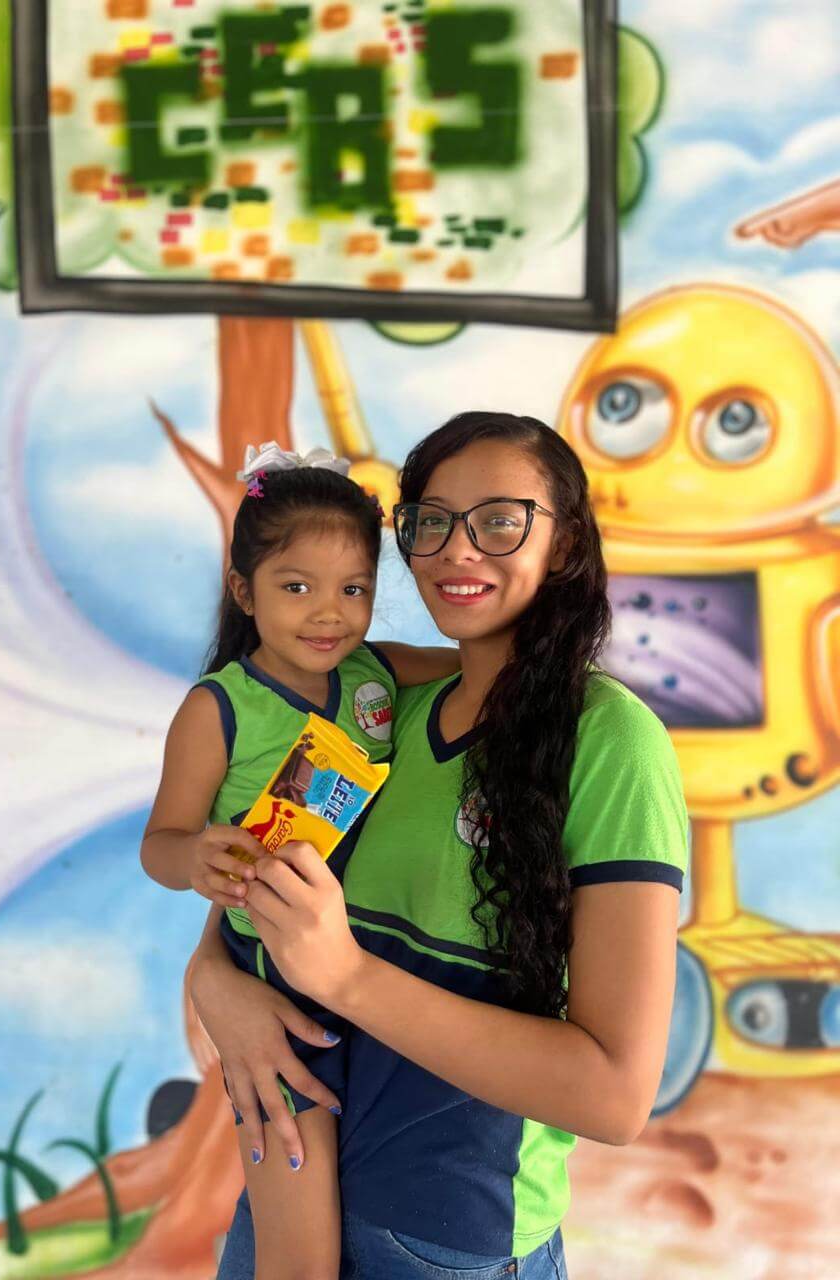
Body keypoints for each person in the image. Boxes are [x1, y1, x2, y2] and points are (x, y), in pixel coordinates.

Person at [190, 413, 689, 1280]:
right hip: (285, 1219)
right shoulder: (377, 716)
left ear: (564, 540)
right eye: (430, 521)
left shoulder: (611, 742)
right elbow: (259, 890)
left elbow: (614, 1095)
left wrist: (344, 976)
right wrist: (212, 978)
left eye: (500, 520)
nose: (460, 550)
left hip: (446, 1244)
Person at [141, 443, 459, 1280]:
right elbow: (160, 844)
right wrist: (198, 858)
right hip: (278, 990)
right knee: (301, 1252)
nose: (329, 614)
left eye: (353, 589)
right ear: (244, 591)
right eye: (297, 588)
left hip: (380, 973)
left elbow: (482, 671)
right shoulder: (218, 710)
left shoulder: (376, 676)